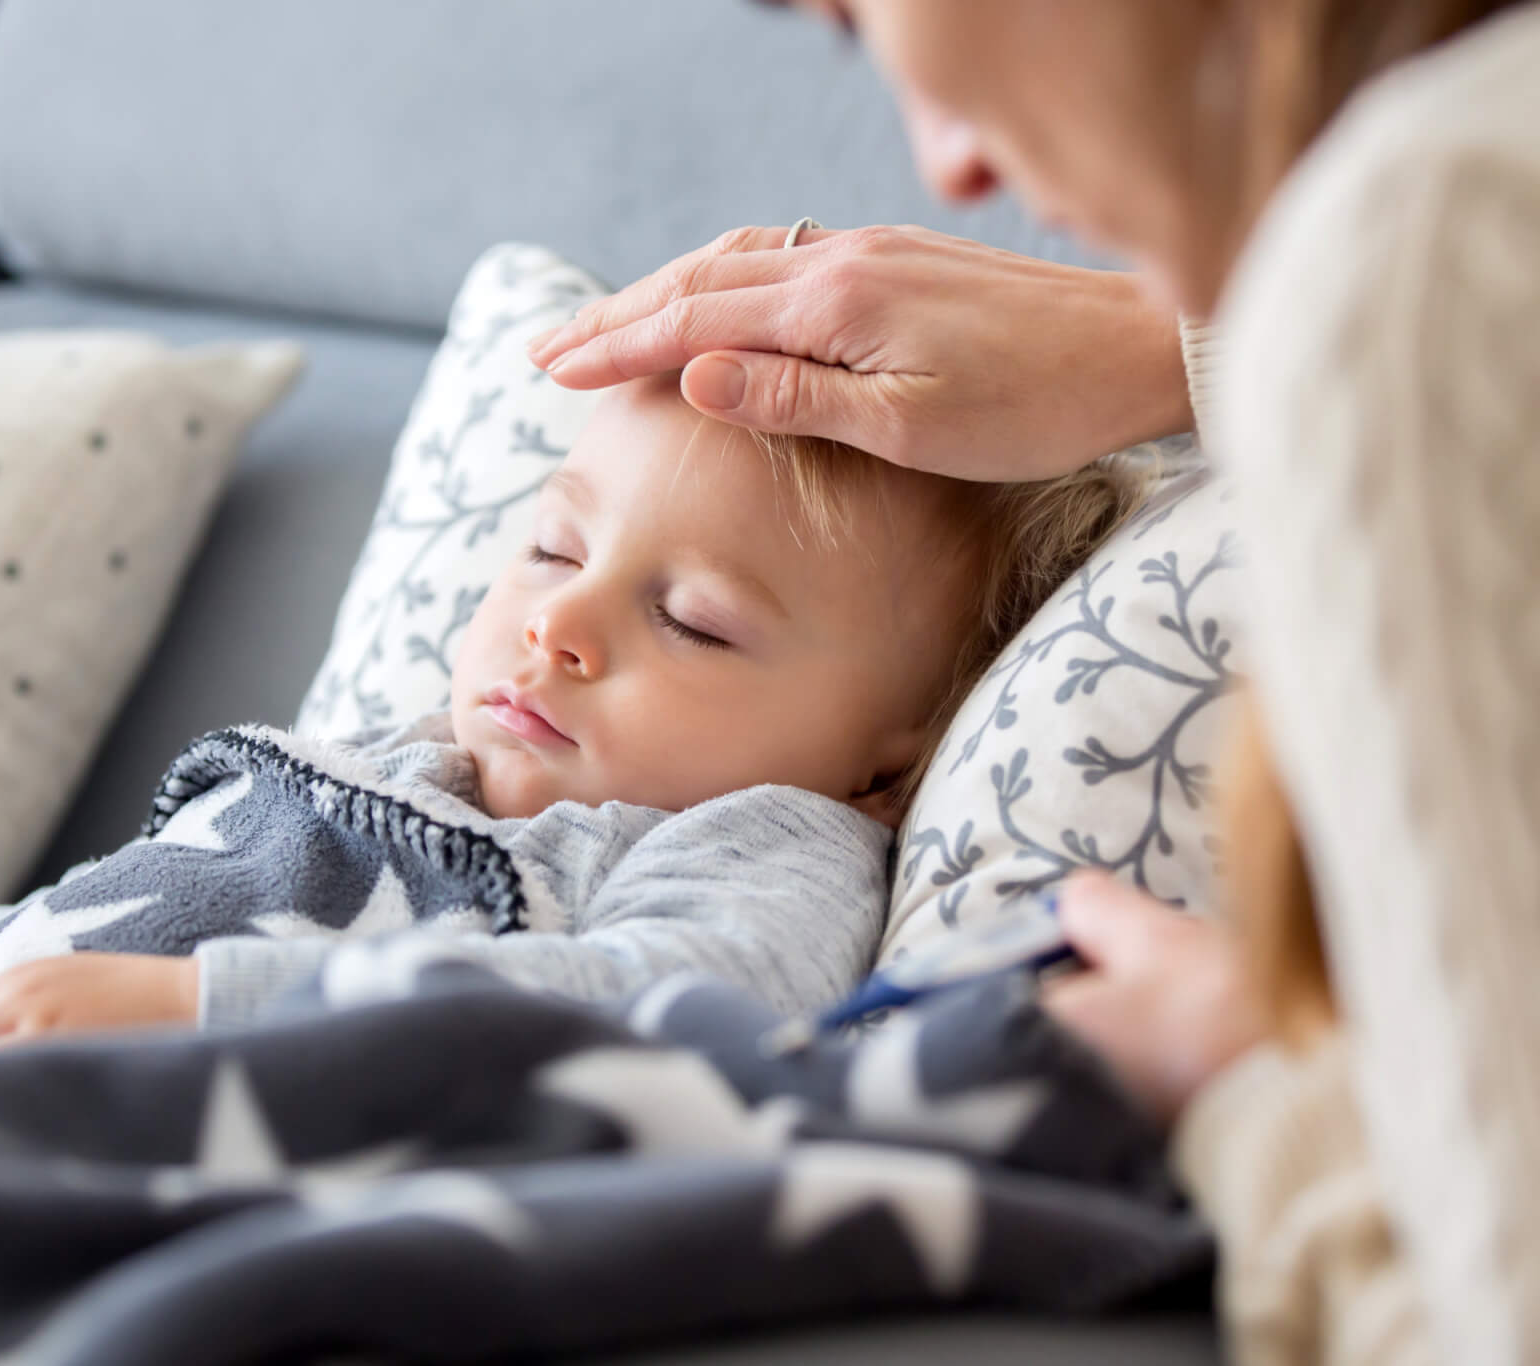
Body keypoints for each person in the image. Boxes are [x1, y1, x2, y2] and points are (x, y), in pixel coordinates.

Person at [529, 2, 1540, 1363]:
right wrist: (1174, 342)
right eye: (545, 545)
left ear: (893, 765)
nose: (948, 165)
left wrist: (1245, 1084)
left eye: (856, 13)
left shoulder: (1430, 254)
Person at [0, 371, 1136, 1060]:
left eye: (692, 620)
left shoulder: (756, 846)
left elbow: (683, 1009)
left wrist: (203, 1010)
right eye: (554, 549)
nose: (557, 620)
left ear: (885, 770)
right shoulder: (359, 764)